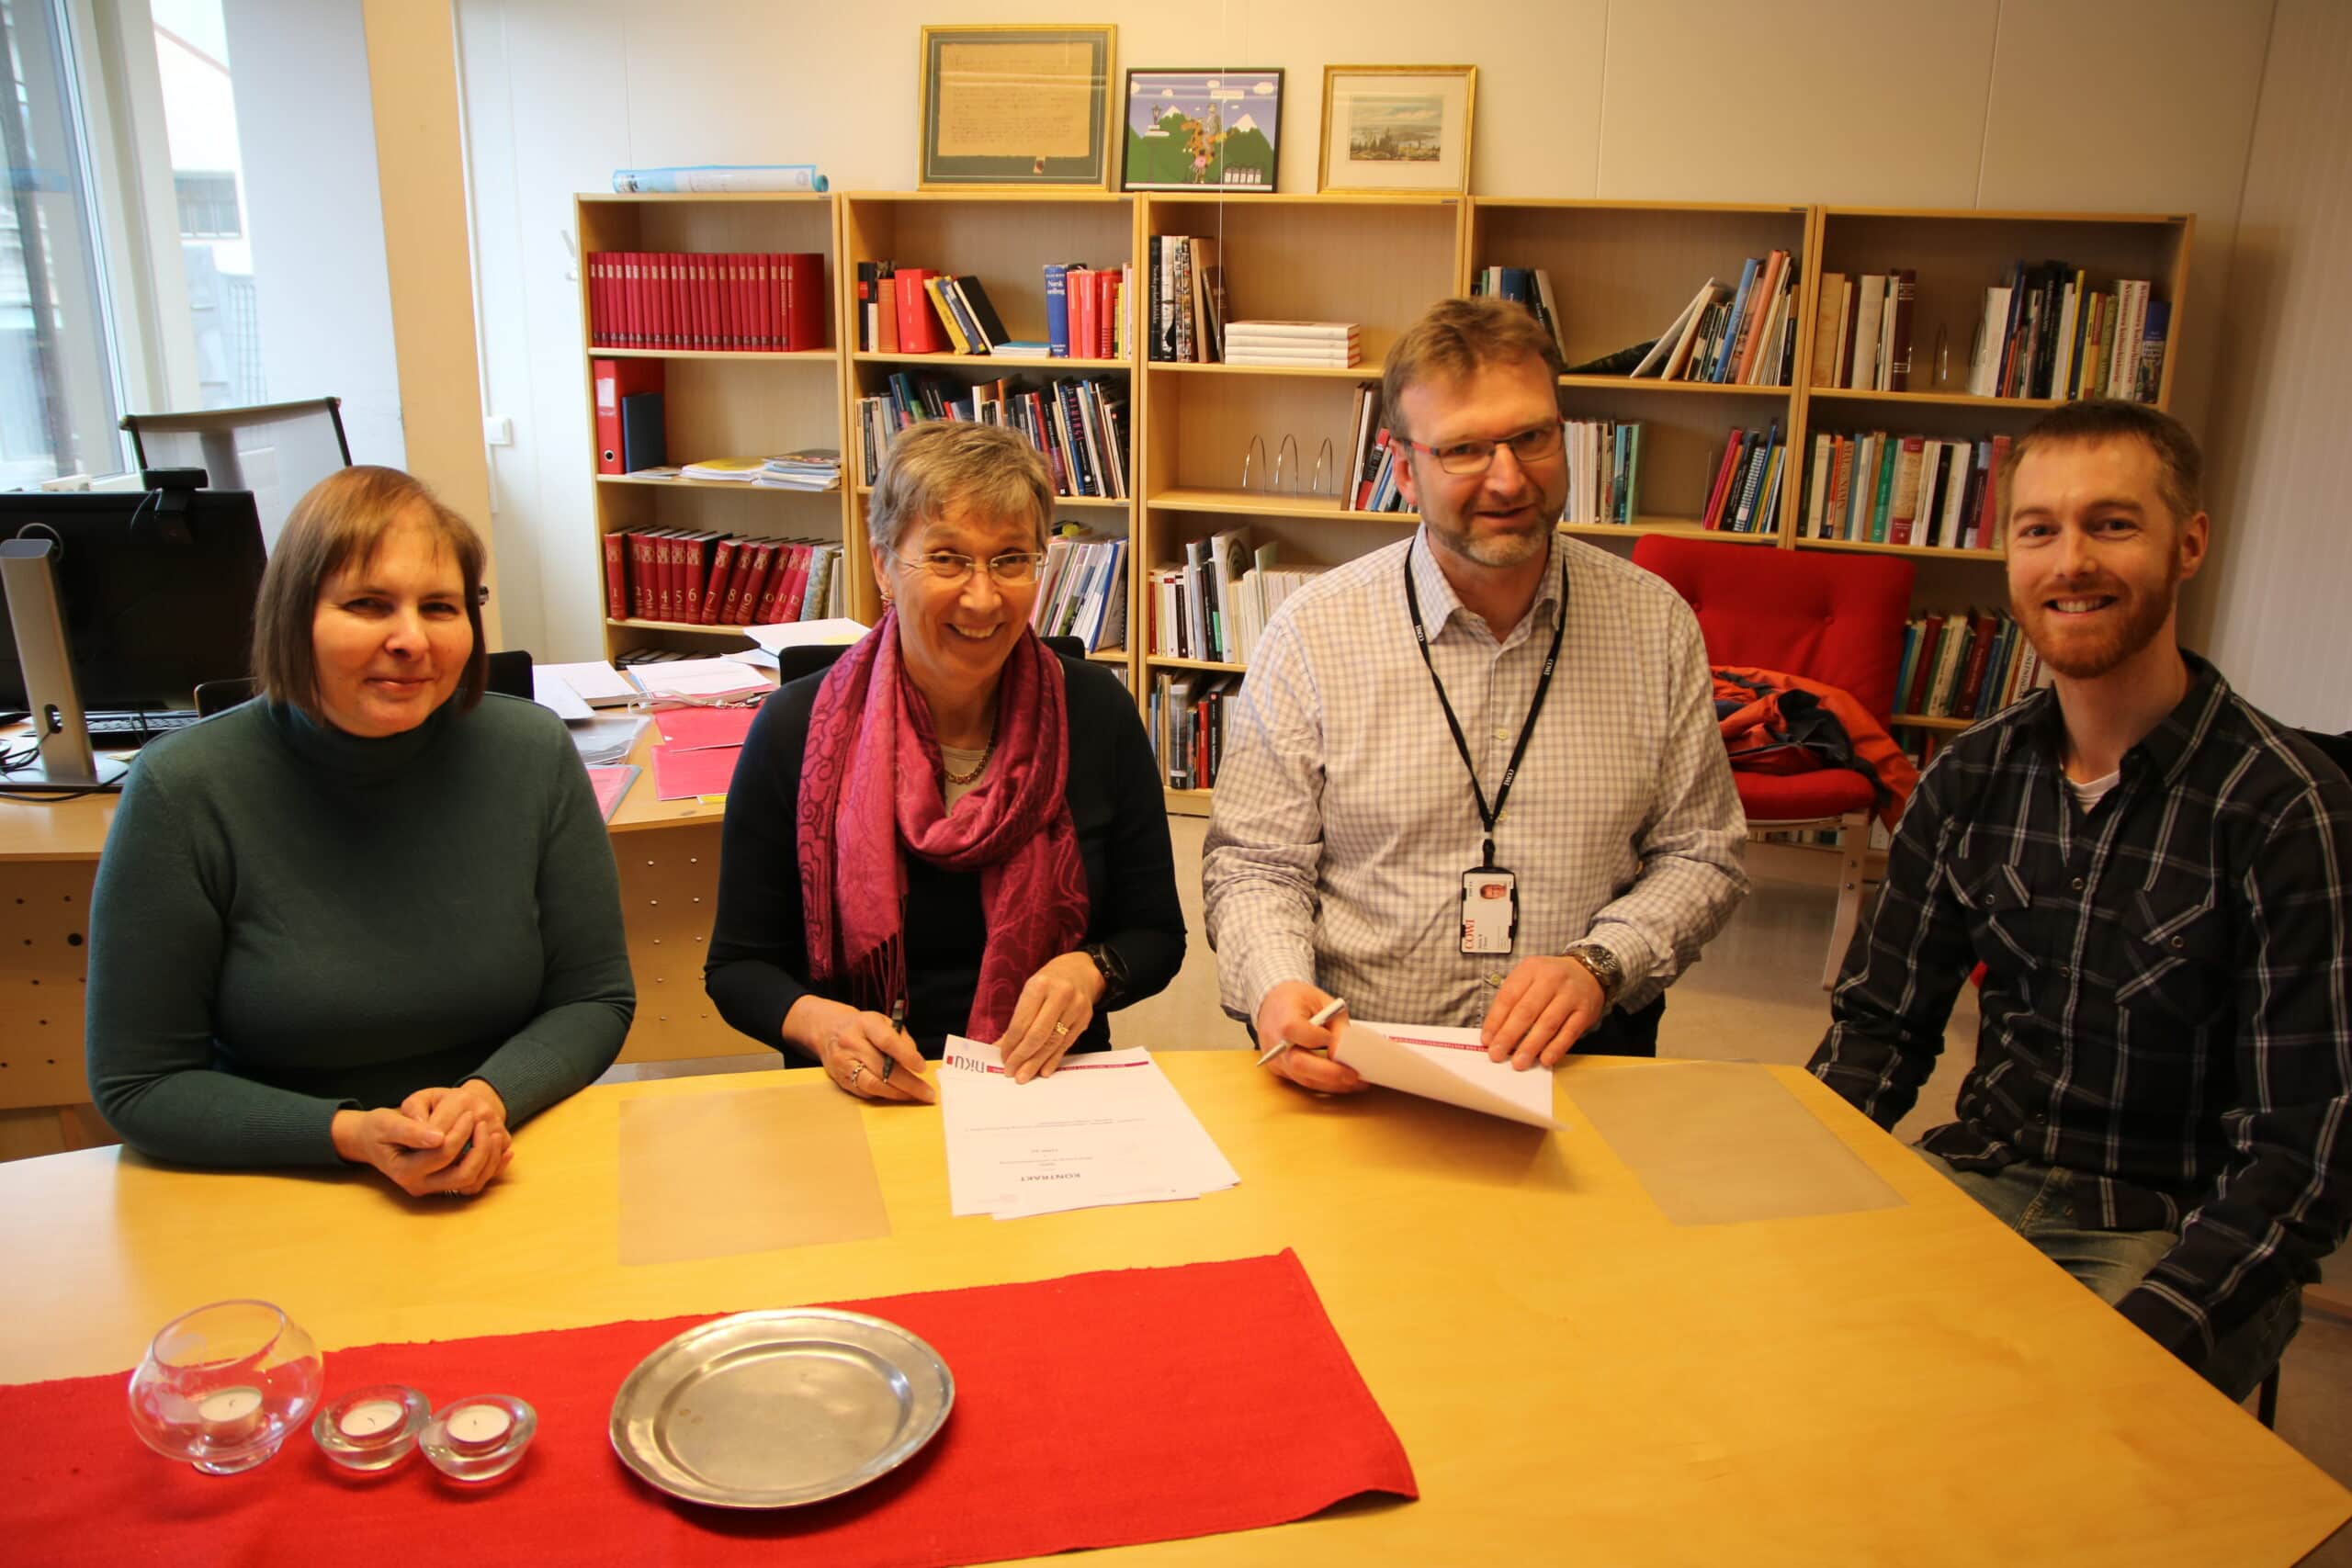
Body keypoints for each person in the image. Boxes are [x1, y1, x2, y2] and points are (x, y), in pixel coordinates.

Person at [1809, 400, 2352, 1399]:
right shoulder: (1968, 778)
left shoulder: (2284, 809)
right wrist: (1780, 1200)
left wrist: (2140, 1337)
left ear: (2187, 544)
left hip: (2169, 1227)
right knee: (1779, 1354)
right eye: (2038, 529)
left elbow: (2302, 1149)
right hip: (1976, 1181)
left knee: (2041, 1433)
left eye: (2111, 524)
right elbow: (1877, 1033)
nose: (2070, 563)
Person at [1203, 296, 1748, 1093]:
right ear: (1401, 467)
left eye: (1531, 437)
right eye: (1462, 449)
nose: (1508, 478)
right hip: (1362, 1058)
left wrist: (1603, 963)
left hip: (1582, 1060)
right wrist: (1278, 990)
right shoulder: (1312, 634)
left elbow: (1703, 852)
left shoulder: (1654, 626)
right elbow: (1256, 865)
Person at [85, 466, 635, 1196]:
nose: (411, 638)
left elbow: (595, 997)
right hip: (283, 1184)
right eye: (369, 605)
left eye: (440, 607)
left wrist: (486, 1098)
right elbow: (140, 1084)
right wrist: (349, 1135)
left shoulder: (531, 752)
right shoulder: (182, 786)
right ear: (293, 616)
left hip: (504, 1158)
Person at [705, 422, 1184, 1098]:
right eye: (949, 559)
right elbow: (739, 966)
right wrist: (822, 1025)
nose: (983, 597)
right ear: (883, 565)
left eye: (1011, 558)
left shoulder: (1097, 714)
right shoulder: (793, 731)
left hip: (1045, 1088)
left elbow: (1157, 933)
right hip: (861, 1091)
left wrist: (1090, 970)